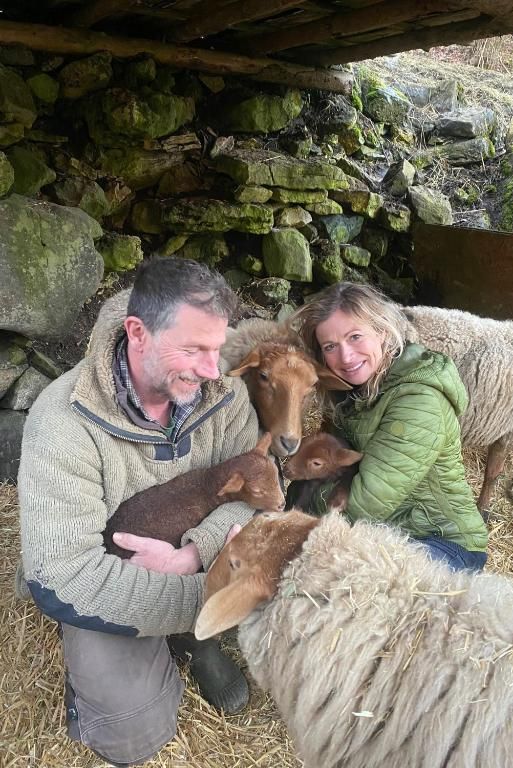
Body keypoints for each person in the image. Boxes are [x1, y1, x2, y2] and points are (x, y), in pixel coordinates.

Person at [17, 257, 261, 766]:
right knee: (131, 732)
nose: (213, 370)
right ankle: (132, 646)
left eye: (216, 349)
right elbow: (66, 572)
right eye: (194, 349)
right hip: (114, 567)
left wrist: (195, 555)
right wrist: (205, 603)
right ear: (137, 332)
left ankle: (195, 642)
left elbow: (245, 494)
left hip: (199, 562)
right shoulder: (63, 421)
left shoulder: (229, 397)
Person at [290, 281, 488, 572]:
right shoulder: (355, 392)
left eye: (355, 336)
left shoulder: (419, 400)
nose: (345, 357)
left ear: (382, 331)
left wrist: (300, 495)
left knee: (352, 594)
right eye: (331, 346)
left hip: (441, 542)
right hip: (385, 533)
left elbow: (362, 504)